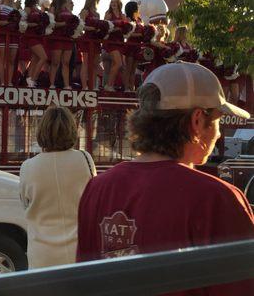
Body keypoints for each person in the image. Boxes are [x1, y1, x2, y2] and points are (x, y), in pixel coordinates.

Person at [77, 62, 253, 295]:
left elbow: (84, 281)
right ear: (197, 121)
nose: (219, 133)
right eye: (219, 119)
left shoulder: (97, 188)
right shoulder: (217, 198)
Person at [20, 105, 96, 268]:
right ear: (72, 130)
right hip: (79, 250)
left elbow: (25, 204)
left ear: (42, 131)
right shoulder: (84, 159)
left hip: (41, 254)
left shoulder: (27, 166)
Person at [22, 0, 48, 88]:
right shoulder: (28, 9)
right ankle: (33, 79)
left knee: (35, 59)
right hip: (31, 37)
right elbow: (22, 23)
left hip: (38, 36)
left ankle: (29, 81)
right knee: (43, 57)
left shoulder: (38, 9)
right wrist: (34, 24)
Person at [49, 0, 74, 89]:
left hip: (68, 38)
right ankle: (51, 84)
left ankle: (67, 85)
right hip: (58, 37)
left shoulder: (67, 8)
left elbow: (73, 21)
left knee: (66, 62)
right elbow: (51, 24)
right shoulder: (54, 8)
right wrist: (64, 24)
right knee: (55, 62)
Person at [0, 0, 20, 86]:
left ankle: (9, 82)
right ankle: (2, 82)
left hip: (14, 36)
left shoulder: (16, 8)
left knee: (11, 60)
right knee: (2, 59)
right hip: (3, 36)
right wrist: (8, 22)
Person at [78, 0, 101, 90]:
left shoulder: (97, 13)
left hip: (96, 39)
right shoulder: (85, 11)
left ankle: (93, 85)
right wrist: (90, 28)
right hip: (87, 38)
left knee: (95, 63)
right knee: (86, 62)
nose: (96, 1)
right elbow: (81, 26)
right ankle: (84, 86)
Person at [103, 0, 126, 92]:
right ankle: (108, 85)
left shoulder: (122, 15)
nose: (113, 4)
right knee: (118, 63)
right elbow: (104, 27)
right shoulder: (108, 14)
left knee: (120, 65)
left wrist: (124, 29)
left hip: (120, 42)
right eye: (112, 2)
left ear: (119, 4)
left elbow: (126, 28)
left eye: (115, 2)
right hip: (111, 42)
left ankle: (124, 87)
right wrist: (116, 29)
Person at [122, 0, 143, 92]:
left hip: (138, 46)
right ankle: (126, 87)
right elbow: (127, 34)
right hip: (130, 45)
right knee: (128, 68)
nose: (139, 9)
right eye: (137, 8)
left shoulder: (140, 20)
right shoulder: (128, 19)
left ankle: (132, 87)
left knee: (134, 70)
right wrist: (139, 35)